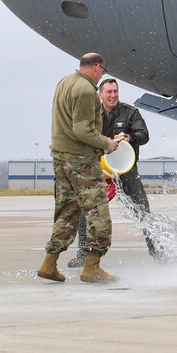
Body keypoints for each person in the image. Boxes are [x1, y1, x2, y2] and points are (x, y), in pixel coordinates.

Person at [38, 53, 119, 284]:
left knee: (67, 211)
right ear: (96, 67)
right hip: (81, 160)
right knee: (98, 213)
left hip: (61, 157)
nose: (102, 75)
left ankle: (49, 264)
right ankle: (92, 267)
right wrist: (108, 143)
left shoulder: (65, 82)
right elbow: (82, 130)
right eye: (103, 71)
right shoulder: (85, 90)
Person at [68, 78, 157, 267]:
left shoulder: (130, 112)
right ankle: (83, 255)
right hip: (99, 172)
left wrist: (129, 136)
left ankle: (157, 251)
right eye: (108, 92)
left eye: (115, 91)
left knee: (143, 210)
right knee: (86, 211)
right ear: (100, 95)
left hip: (126, 170)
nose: (113, 95)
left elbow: (144, 136)